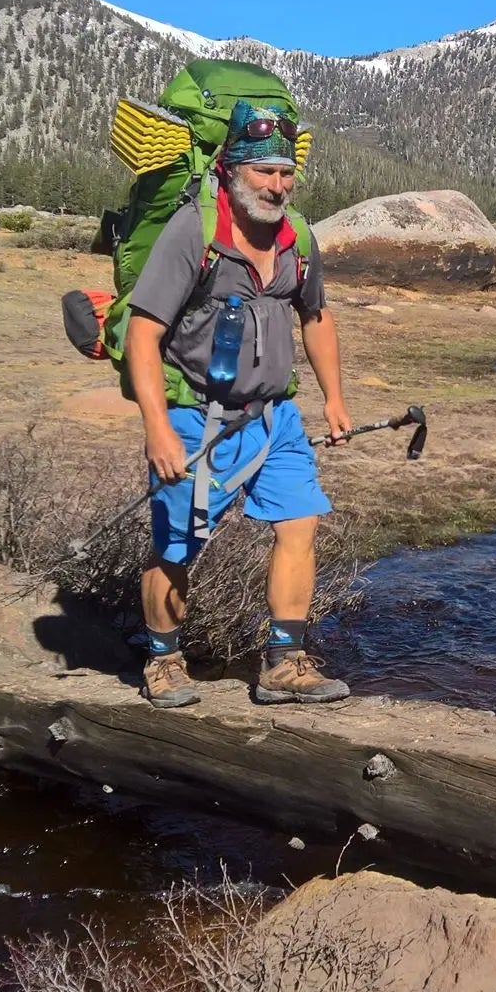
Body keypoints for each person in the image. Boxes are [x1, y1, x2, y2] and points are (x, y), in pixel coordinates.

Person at [122, 100, 354, 709]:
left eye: (285, 174)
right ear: (232, 171)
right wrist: (157, 428)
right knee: (177, 544)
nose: (277, 186)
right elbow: (142, 333)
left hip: (275, 416)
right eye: (264, 173)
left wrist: (333, 398)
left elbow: (317, 316)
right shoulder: (193, 233)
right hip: (197, 417)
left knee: (299, 525)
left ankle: (283, 662)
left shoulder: (298, 236)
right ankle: (163, 661)